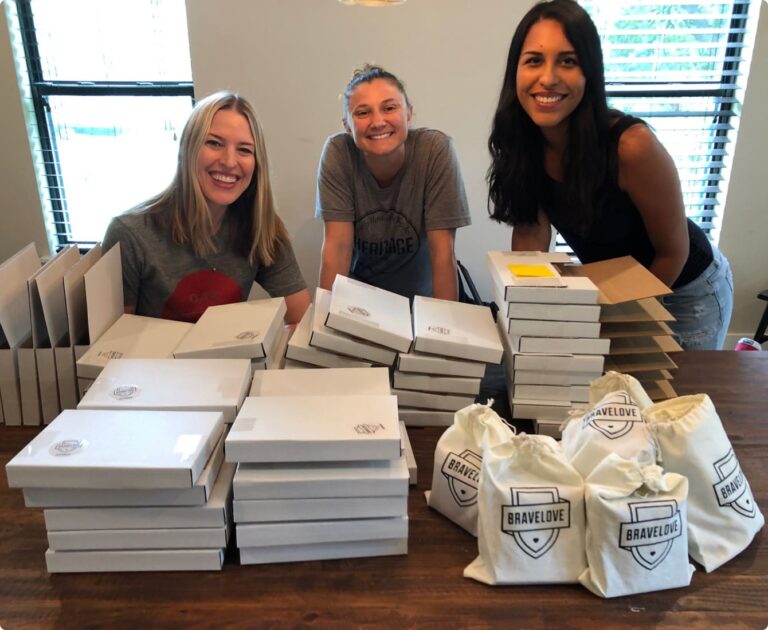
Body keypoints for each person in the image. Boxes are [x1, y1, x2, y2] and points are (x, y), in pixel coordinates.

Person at [487, 0, 733, 350]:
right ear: (516, 71)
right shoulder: (523, 143)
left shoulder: (631, 146)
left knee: (672, 400)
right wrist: (527, 311)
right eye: (534, 60)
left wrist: (620, 320)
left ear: (590, 72)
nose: (548, 78)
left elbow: (671, 253)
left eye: (568, 61)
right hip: (615, 283)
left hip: (685, 288)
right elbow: (530, 236)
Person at [102, 91, 310, 324]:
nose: (229, 162)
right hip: (152, 360)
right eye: (214, 143)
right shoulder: (130, 233)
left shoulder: (262, 227)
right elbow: (113, 347)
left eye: (244, 150)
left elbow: (300, 320)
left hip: (228, 359)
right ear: (187, 149)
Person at [316, 64, 472, 301]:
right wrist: (324, 326)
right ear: (347, 125)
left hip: (422, 303)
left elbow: (442, 254)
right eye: (362, 113)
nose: (378, 122)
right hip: (359, 304)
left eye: (389, 108)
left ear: (409, 114)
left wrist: (441, 330)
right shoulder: (339, 153)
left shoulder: (434, 150)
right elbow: (337, 250)